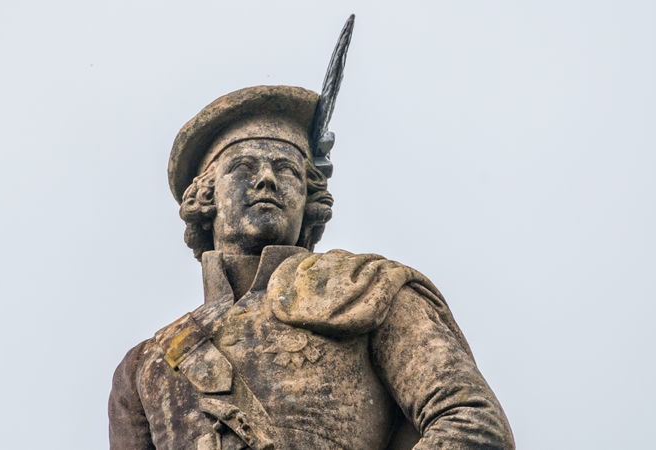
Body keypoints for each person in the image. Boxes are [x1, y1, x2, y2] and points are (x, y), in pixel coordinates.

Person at [108, 85, 515, 450]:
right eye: (244, 168)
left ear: (309, 202)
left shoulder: (365, 290)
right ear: (206, 197)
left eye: (286, 170)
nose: (266, 179)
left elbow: (474, 424)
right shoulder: (147, 365)